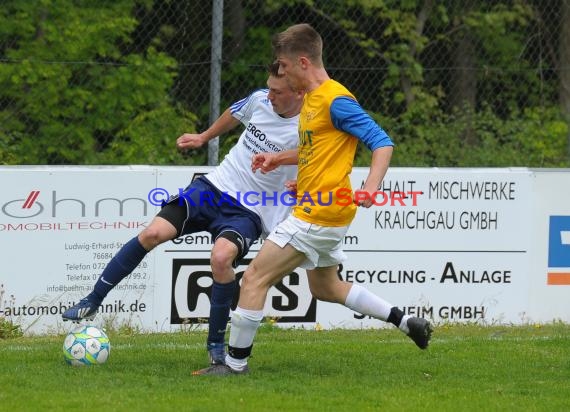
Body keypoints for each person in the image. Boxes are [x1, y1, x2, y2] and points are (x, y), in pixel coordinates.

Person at [196, 23, 432, 376]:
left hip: (318, 214)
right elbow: (317, 150)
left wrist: (371, 185)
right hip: (323, 209)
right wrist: (283, 163)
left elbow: (382, 141)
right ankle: (406, 321)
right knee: (326, 287)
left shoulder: (336, 100)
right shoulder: (312, 99)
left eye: (285, 66)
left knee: (254, 278)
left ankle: (233, 365)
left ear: (303, 62)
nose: (281, 73)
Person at [62, 62, 304, 369]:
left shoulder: (310, 123)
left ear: (298, 92)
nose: (270, 96)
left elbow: (318, 154)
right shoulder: (259, 100)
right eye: (269, 88)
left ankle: (216, 345)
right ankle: (92, 301)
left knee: (220, 258)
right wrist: (204, 137)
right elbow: (235, 112)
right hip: (214, 187)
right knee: (151, 234)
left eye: (277, 91)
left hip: (251, 208)